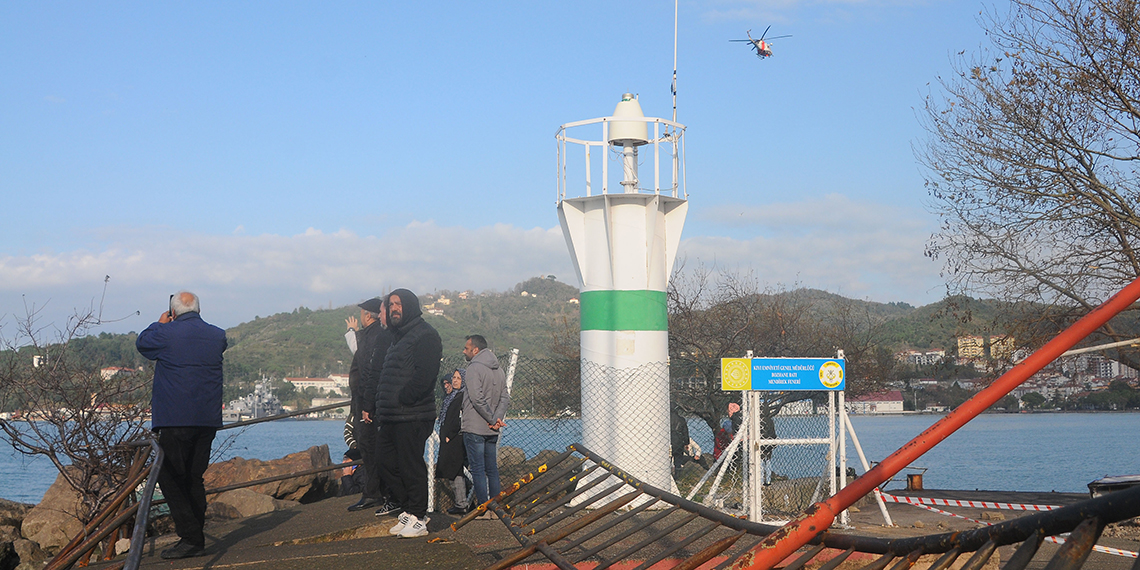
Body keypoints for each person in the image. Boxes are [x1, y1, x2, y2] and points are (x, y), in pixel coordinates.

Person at [136, 291, 226, 560]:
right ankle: (193, 537)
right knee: (193, 478)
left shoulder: (166, 333)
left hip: (176, 419)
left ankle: (191, 539)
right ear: (198, 309)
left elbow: (143, 343)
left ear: (173, 312)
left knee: (170, 477)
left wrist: (160, 323)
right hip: (207, 418)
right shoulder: (217, 335)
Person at [375, 289, 442, 538]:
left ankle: (419, 517)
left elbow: (425, 375)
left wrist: (405, 397)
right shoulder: (397, 338)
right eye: (391, 304)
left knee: (410, 464)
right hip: (392, 415)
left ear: (410, 306)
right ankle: (409, 510)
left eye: (398, 304)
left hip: (413, 414)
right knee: (385, 462)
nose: (394, 308)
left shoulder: (425, 335)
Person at [346, 297, 397, 514]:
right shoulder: (375, 335)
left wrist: (367, 404)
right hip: (368, 400)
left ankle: (373, 492)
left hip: (367, 401)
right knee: (371, 447)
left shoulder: (374, 336)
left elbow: (369, 370)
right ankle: (376, 491)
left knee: (369, 447)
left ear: (368, 315)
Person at [460, 334, 510, 515]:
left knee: (478, 470)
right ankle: (497, 507)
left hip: (474, 426)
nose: (463, 351)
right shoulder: (499, 370)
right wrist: (496, 419)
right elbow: (505, 397)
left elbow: (476, 398)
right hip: (492, 429)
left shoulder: (474, 368)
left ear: (475, 350)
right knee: (492, 469)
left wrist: (490, 419)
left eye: (466, 348)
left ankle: (483, 508)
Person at [436, 369, 470, 515]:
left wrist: (450, 434)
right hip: (448, 438)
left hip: (456, 439)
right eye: (453, 378)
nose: (455, 381)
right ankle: (462, 502)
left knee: (455, 470)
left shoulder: (463, 396)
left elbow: (460, 419)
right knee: (453, 471)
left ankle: (462, 503)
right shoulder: (451, 397)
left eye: (458, 378)